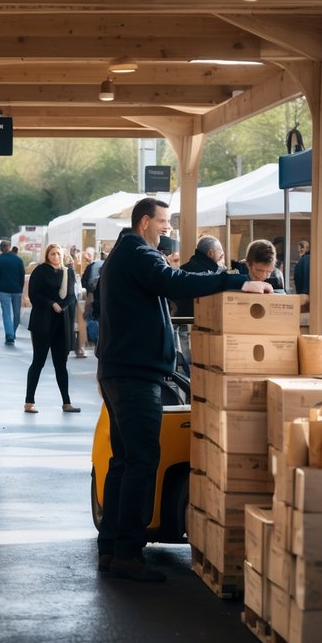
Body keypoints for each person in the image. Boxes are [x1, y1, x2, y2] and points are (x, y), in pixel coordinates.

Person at [97, 197, 270, 582]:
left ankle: (111, 547)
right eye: (164, 221)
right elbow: (174, 284)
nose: (168, 228)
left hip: (121, 371)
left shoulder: (128, 254)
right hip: (135, 375)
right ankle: (126, 553)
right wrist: (236, 279)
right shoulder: (139, 254)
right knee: (141, 462)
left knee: (124, 462)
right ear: (145, 223)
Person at [24, 243, 79, 414]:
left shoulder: (68, 272)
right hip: (43, 322)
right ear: (47, 255)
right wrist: (51, 303)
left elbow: (71, 295)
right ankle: (29, 401)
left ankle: (66, 402)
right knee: (38, 361)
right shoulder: (40, 271)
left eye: (58, 254)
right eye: (53, 254)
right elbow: (34, 294)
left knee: (61, 363)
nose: (56, 257)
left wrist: (62, 306)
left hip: (62, 322)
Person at [171, 235, 225, 318]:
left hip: (181, 320)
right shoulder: (207, 276)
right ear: (210, 253)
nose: (222, 260)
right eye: (221, 256)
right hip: (199, 320)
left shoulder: (182, 270)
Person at [0, 240, 25, 345]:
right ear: (9, 247)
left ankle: (9, 334)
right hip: (16, 290)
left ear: (1, 248)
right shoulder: (18, 260)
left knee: (6, 313)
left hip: (3, 290)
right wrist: (20, 288)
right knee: (17, 314)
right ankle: (13, 332)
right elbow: (22, 275)